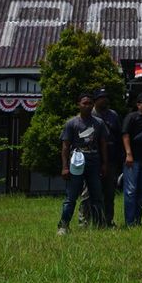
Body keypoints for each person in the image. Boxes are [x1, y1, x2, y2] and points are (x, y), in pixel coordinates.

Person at [57, 92, 109, 234]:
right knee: (71, 196)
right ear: (78, 104)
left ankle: (100, 225)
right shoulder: (72, 123)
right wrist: (65, 167)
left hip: (94, 160)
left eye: (90, 103)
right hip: (77, 161)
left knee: (96, 195)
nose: (87, 106)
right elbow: (65, 146)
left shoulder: (99, 123)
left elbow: (103, 144)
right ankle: (63, 225)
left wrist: (104, 164)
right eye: (84, 103)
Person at [120, 93, 142, 227]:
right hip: (133, 160)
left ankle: (137, 220)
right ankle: (129, 222)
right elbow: (125, 135)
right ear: (138, 104)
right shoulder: (131, 117)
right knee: (130, 191)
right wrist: (128, 154)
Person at [92, 88, 123, 226]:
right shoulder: (90, 114)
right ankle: (89, 221)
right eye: (101, 97)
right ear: (96, 100)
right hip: (94, 159)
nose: (105, 100)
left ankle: (108, 220)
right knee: (91, 192)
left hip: (111, 158)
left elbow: (119, 135)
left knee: (109, 192)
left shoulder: (113, 115)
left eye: (106, 97)